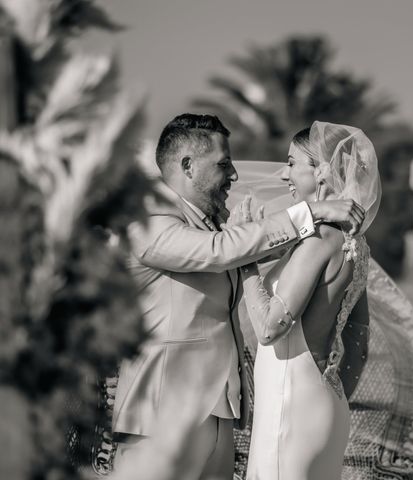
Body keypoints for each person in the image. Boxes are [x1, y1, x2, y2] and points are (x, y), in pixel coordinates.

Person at [110, 114, 366, 480]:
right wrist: (309, 212)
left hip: (220, 414)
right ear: (187, 165)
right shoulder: (148, 218)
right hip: (160, 417)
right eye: (223, 163)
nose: (234, 173)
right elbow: (218, 252)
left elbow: (239, 252)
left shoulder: (214, 226)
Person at [233, 122, 380, 480]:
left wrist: (246, 261)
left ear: (322, 171)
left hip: (291, 404)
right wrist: (330, 389)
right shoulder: (355, 242)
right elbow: (358, 339)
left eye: (292, 163)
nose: (284, 174)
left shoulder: (317, 240)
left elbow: (270, 327)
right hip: (328, 403)